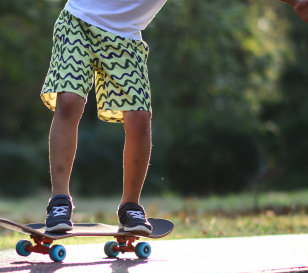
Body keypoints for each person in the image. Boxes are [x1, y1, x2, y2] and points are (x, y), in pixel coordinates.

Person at [40, 0, 308, 234]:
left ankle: (130, 207)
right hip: (78, 22)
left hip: (126, 39)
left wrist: (296, 1)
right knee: (69, 102)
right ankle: (59, 201)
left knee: (139, 118)